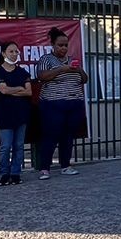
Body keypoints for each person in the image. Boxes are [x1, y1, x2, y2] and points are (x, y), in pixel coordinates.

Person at [35, 27, 88, 180]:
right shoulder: (46, 59)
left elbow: (85, 80)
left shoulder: (72, 60)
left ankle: (65, 166)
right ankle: (45, 168)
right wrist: (62, 69)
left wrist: (79, 70)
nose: (63, 48)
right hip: (52, 104)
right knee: (50, 136)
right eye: (60, 45)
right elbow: (42, 76)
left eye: (66, 45)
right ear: (52, 45)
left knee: (68, 136)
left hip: (74, 104)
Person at [0, 41, 33, 184]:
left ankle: (15, 173)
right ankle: (4, 173)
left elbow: (28, 92)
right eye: (11, 51)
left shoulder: (22, 72)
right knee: (6, 146)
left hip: (21, 113)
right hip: (5, 114)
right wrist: (19, 88)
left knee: (19, 146)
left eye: (16, 51)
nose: (15, 54)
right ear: (4, 53)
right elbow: (3, 90)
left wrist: (12, 90)